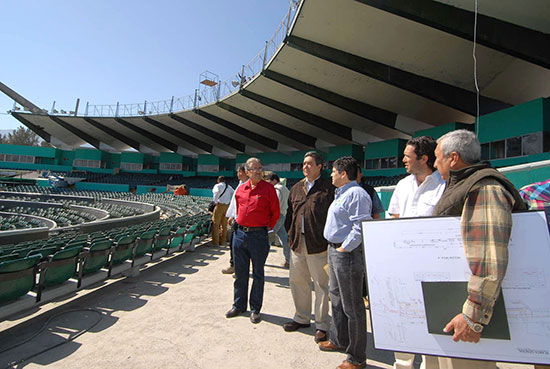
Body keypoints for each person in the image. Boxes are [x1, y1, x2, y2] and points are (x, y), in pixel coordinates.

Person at [432, 129, 526, 368]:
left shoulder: (484, 188)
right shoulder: (464, 186)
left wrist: (472, 317)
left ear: (453, 158)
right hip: (452, 303)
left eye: (437, 158)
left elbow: (488, 257)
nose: (434, 164)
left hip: (469, 314)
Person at [387, 136, 446, 369]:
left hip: (433, 270)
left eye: (407, 155)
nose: (403, 159)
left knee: (432, 325)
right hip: (403, 268)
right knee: (404, 322)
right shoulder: (403, 185)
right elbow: (394, 220)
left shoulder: (444, 185)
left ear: (424, 158)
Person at [319, 156, 372, 369]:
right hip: (334, 251)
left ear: (343, 173)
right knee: (337, 299)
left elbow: (361, 226)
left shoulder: (357, 194)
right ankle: (339, 339)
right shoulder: (342, 193)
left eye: (333, 171)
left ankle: (356, 358)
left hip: (346, 255)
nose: (330, 175)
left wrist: (343, 248)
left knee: (353, 307)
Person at [283, 151, 334, 344]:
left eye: (309, 163)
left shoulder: (329, 188)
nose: (305, 167)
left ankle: (322, 325)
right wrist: (291, 235)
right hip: (298, 244)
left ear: (320, 166)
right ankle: (301, 318)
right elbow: (289, 216)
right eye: (304, 164)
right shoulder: (296, 188)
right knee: (298, 281)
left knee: (321, 285)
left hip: (318, 244)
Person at [225, 158, 280, 324]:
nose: (258, 171)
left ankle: (255, 309)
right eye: (254, 169)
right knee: (240, 274)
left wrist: (262, 228)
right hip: (239, 235)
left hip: (258, 236)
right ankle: (239, 305)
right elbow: (237, 210)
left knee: (258, 273)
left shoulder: (269, 189)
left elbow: (275, 214)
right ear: (247, 172)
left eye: (260, 168)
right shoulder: (241, 189)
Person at [222, 165, 248, 274]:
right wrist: (232, 215)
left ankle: (239, 268)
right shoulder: (240, 184)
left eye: (238, 171)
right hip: (236, 218)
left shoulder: (248, 185)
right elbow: (235, 202)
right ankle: (233, 265)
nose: (237, 174)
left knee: (241, 246)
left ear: (242, 172)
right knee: (233, 244)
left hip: (243, 221)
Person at [265, 172, 291, 268]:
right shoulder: (286, 189)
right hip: (283, 215)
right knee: (284, 238)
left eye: (269, 181)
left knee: (268, 238)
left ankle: (261, 259)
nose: (268, 183)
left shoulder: (277, 189)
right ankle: (289, 260)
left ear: (274, 180)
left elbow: (275, 205)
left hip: (276, 217)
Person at [211, 176, 234, 246]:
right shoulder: (229, 187)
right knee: (224, 225)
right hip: (227, 206)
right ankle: (223, 241)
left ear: (218, 180)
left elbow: (216, 193)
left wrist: (215, 202)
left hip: (219, 205)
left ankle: (216, 242)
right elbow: (234, 194)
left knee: (216, 224)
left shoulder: (217, 186)